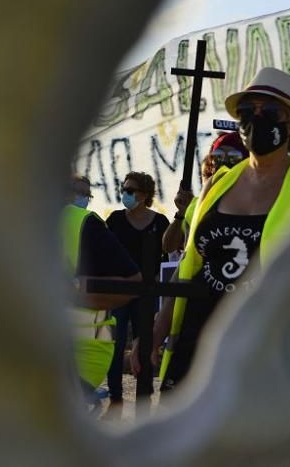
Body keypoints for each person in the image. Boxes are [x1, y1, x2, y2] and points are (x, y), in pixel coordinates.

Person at [133, 67, 290, 388]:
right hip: (195, 351)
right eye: (248, 111)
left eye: (270, 111)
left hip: (264, 362)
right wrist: (156, 330)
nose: (256, 119)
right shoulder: (217, 184)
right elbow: (189, 265)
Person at [60, 175, 141, 407]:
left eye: (86, 193)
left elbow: (133, 282)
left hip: (81, 355)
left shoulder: (85, 224)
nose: (82, 198)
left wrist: (74, 295)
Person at [102, 172, 169, 409]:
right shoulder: (116, 220)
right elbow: (105, 253)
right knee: (116, 343)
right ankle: (116, 396)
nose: (126, 194)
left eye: (131, 190)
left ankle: (144, 393)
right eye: (124, 189)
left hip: (146, 293)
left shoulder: (160, 223)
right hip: (119, 292)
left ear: (144, 194)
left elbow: (166, 258)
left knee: (146, 342)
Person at [161, 132, 249, 258]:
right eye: (218, 156)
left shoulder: (257, 200)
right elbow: (168, 246)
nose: (224, 162)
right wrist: (181, 213)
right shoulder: (197, 204)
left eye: (233, 157)